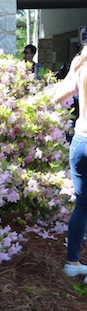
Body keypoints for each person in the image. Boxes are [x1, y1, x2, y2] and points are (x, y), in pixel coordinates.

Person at [50, 45, 87, 280]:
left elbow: (57, 96)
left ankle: (72, 262)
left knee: (83, 206)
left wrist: (72, 72)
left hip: (82, 140)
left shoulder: (83, 64)